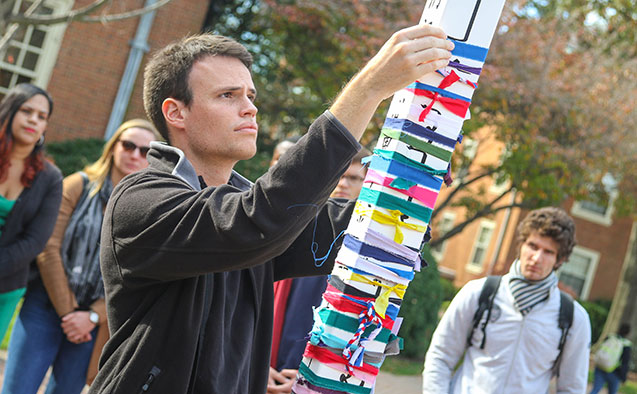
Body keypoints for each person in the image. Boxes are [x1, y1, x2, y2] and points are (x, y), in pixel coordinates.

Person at [90, 25, 454, 394]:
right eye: (227, 95)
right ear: (176, 112)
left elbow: (359, 233)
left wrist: (412, 174)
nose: (250, 107)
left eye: (250, 94)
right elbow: (258, 220)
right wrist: (367, 89)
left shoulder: (247, 205)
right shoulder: (141, 199)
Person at [2, 119, 159, 394]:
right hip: (46, 305)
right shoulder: (77, 185)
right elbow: (48, 245)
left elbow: (140, 271)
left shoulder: (151, 208)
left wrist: (93, 316)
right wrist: (68, 311)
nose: (135, 155)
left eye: (145, 151)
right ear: (113, 147)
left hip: (95, 321)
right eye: (129, 145)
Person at [422, 207, 591, 393]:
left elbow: (572, 388)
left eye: (548, 252)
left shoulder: (573, 318)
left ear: (560, 260)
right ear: (521, 245)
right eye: (533, 246)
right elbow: (441, 356)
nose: (537, 258)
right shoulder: (478, 293)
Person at [269, 147, 370, 394]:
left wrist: (310, 378)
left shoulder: (369, 256)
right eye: (338, 175)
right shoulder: (296, 231)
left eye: (353, 178)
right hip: (268, 370)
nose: (343, 183)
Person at [0, 83, 62, 342]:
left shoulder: (50, 178)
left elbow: (35, 241)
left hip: (5, 287)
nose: (33, 120)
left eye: (42, 117)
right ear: (11, 111)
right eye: (27, 111)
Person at [590, 323, 632, 394]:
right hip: (615, 372)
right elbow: (625, 363)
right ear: (627, 333)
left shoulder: (610, 337)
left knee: (595, 389)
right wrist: (623, 378)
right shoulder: (626, 345)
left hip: (600, 367)